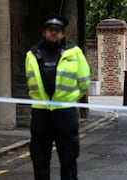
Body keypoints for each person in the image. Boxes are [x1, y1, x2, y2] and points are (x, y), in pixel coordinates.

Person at [25, 14, 90, 180]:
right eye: (50, 30)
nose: (53, 33)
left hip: (65, 113)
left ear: (63, 33)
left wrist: (71, 98)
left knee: (68, 161)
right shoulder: (32, 55)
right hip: (41, 114)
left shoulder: (75, 53)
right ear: (44, 32)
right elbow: (30, 82)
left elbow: (84, 83)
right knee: (40, 161)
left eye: (57, 30)